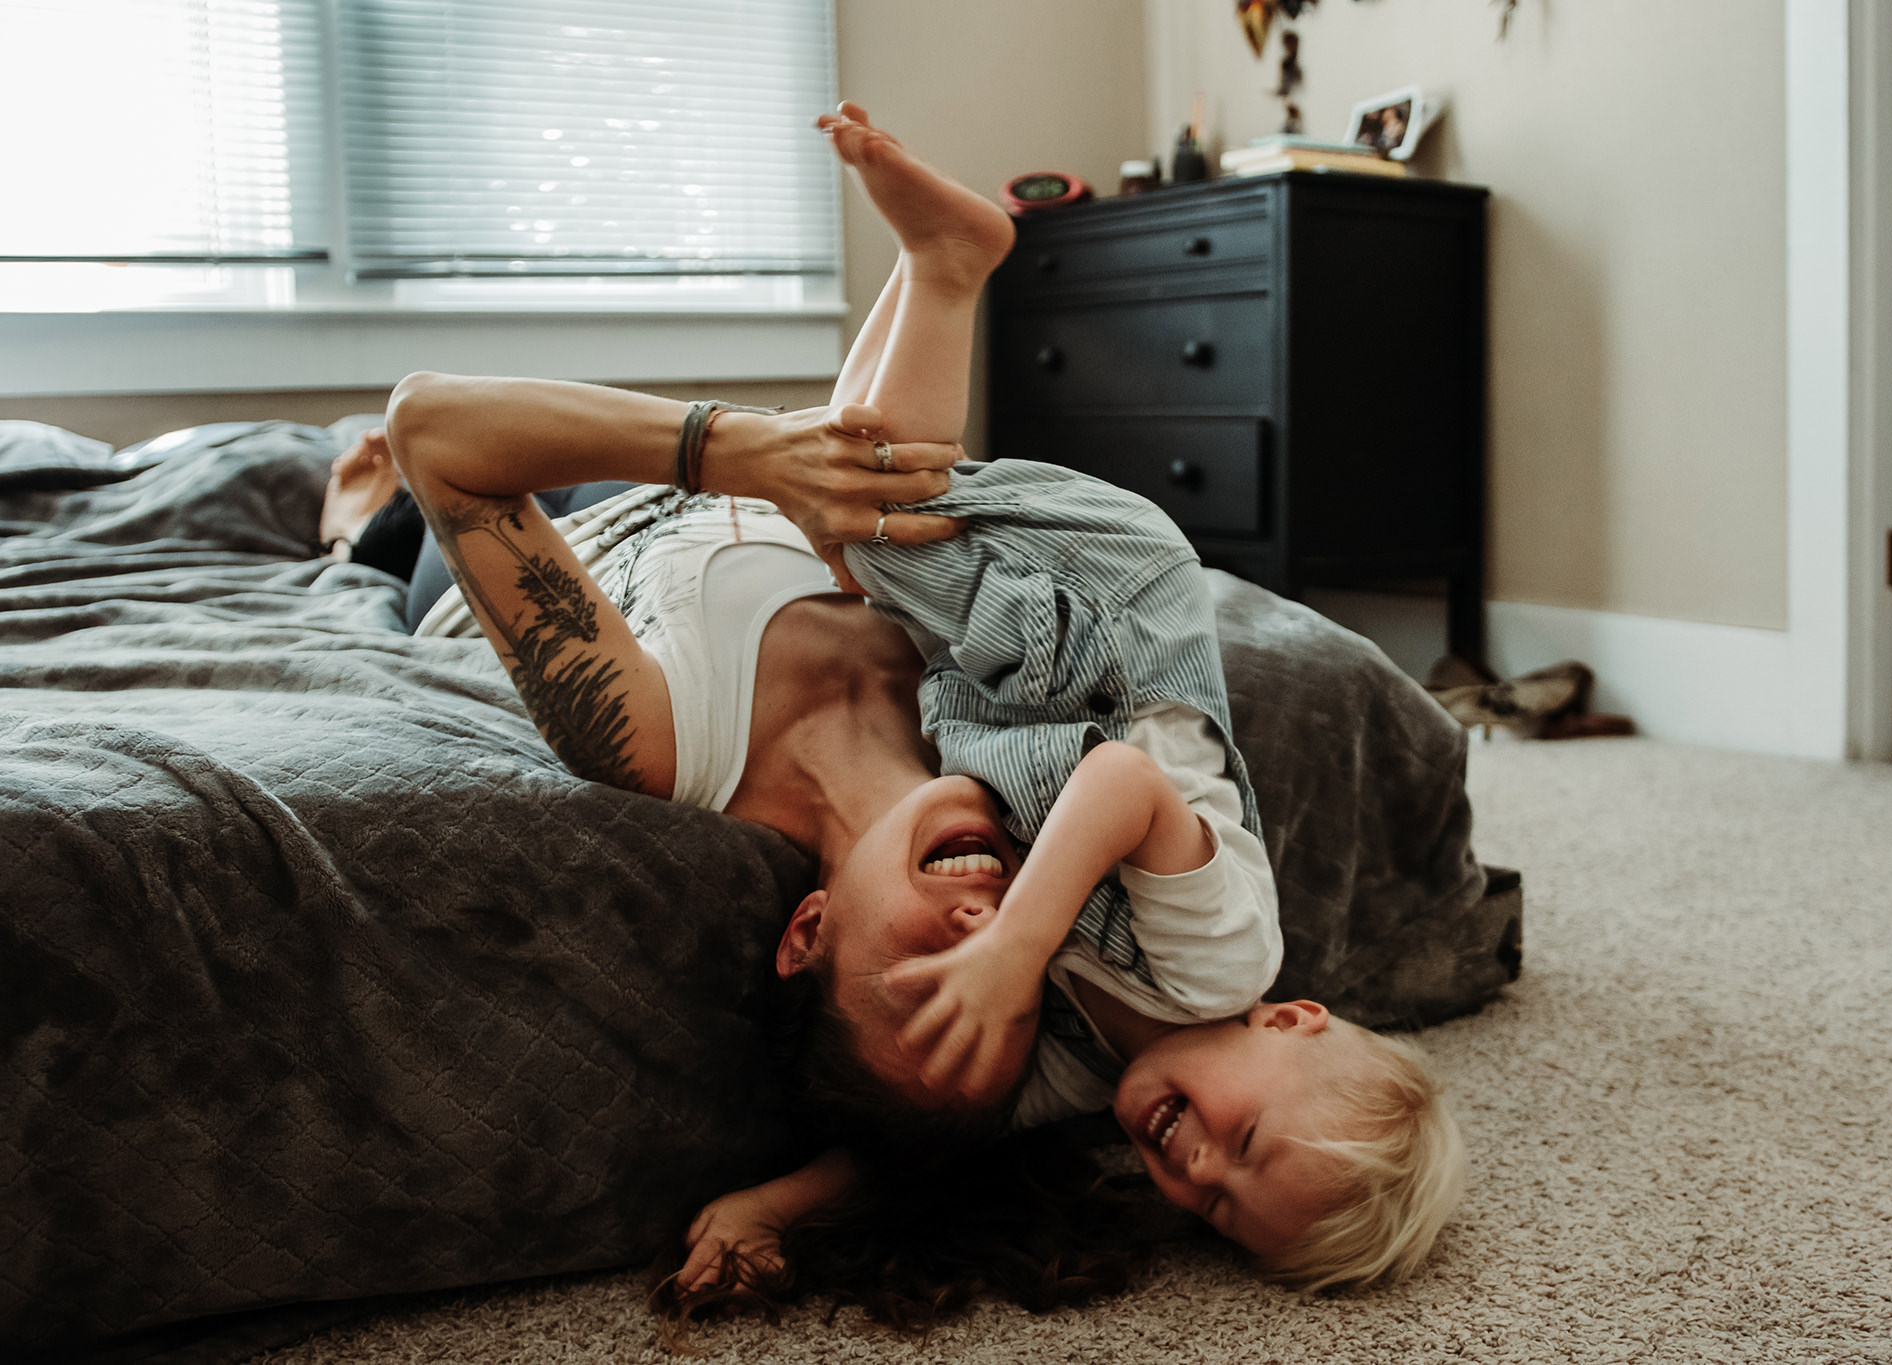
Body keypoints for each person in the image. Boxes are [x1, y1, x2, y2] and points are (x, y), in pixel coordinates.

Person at [374, 103, 1462, 1314]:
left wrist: (770, 1202)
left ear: (809, 928)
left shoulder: (655, 743)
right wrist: (745, 453)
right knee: (889, 517)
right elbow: (1103, 773)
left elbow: (434, 434)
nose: (999, 926)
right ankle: (944, 268)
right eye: (1002, 962)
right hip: (709, 467)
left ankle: (348, 515)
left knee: (378, 527)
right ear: (1293, 1022)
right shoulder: (1080, 821)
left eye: (945, 971)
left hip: (566, 523)